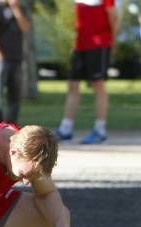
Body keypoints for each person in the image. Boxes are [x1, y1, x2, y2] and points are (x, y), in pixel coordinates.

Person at [54, 0, 118, 144]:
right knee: (73, 85)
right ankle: (66, 129)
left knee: (98, 85)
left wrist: (112, 43)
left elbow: (114, 18)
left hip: (99, 44)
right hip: (80, 45)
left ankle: (100, 130)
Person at [0, 0, 30, 124]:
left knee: (15, 94)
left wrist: (15, 8)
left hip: (17, 57)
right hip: (1, 59)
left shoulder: (21, 7)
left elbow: (25, 28)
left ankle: (11, 125)